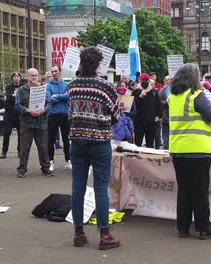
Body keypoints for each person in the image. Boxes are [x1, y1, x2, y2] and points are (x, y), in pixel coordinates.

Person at [67, 47, 121, 249]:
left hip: (77, 142)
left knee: (77, 188)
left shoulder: (72, 86)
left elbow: (70, 114)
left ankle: (79, 233)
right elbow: (115, 116)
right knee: (100, 187)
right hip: (99, 142)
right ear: (99, 64)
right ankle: (105, 235)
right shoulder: (105, 86)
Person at [169, 63, 211, 240]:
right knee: (199, 191)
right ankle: (203, 229)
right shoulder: (197, 96)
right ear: (193, 78)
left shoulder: (173, 97)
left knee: (184, 190)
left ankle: (183, 228)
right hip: (198, 150)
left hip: (178, 150)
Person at [15, 68, 52, 178]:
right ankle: (22, 169)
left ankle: (46, 168)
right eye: (32, 75)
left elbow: (49, 104)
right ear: (27, 76)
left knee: (43, 147)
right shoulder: (21, 90)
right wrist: (28, 111)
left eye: (36, 75)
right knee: (24, 148)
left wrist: (43, 110)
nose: (34, 77)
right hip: (26, 123)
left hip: (41, 122)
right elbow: (17, 105)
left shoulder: (42, 89)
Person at [46, 65, 71, 172]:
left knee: (66, 139)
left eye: (56, 71)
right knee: (50, 140)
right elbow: (49, 99)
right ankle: (50, 162)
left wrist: (57, 96)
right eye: (52, 72)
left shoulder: (66, 84)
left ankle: (68, 161)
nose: (54, 73)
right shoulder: (48, 85)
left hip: (65, 115)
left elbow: (68, 97)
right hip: (52, 115)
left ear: (60, 72)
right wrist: (61, 97)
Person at [131, 73, 162, 148]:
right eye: (143, 80)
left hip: (151, 121)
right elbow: (132, 105)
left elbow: (159, 105)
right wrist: (140, 96)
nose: (144, 82)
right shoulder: (136, 91)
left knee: (150, 144)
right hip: (139, 121)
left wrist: (158, 116)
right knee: (137, 143)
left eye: (146, 80)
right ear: (140, 81)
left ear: (148, 81)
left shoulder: (154, 91)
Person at [0, 72, 23, 159]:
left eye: (18, 76)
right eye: (15, 76)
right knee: (7, 132)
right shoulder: (9, 87)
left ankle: (20, 151)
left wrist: (15, 96)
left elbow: (23, 98)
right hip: (9, 113)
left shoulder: (23, 87)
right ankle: (4, 151)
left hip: (19, 114)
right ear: (12, 78)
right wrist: (16, 96)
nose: (16, 78)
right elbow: (9, 98)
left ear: (20, 78)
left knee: (20, 133)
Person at [158, 75, 171, 149]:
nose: (168, 81)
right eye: (167, 80)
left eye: (170, 80)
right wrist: (167, 102)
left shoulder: (176, 90)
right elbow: (159, 101)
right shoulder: (162, 90)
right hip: (165, 117)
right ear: (164, 81)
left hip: (174, 117)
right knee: (166, 137)